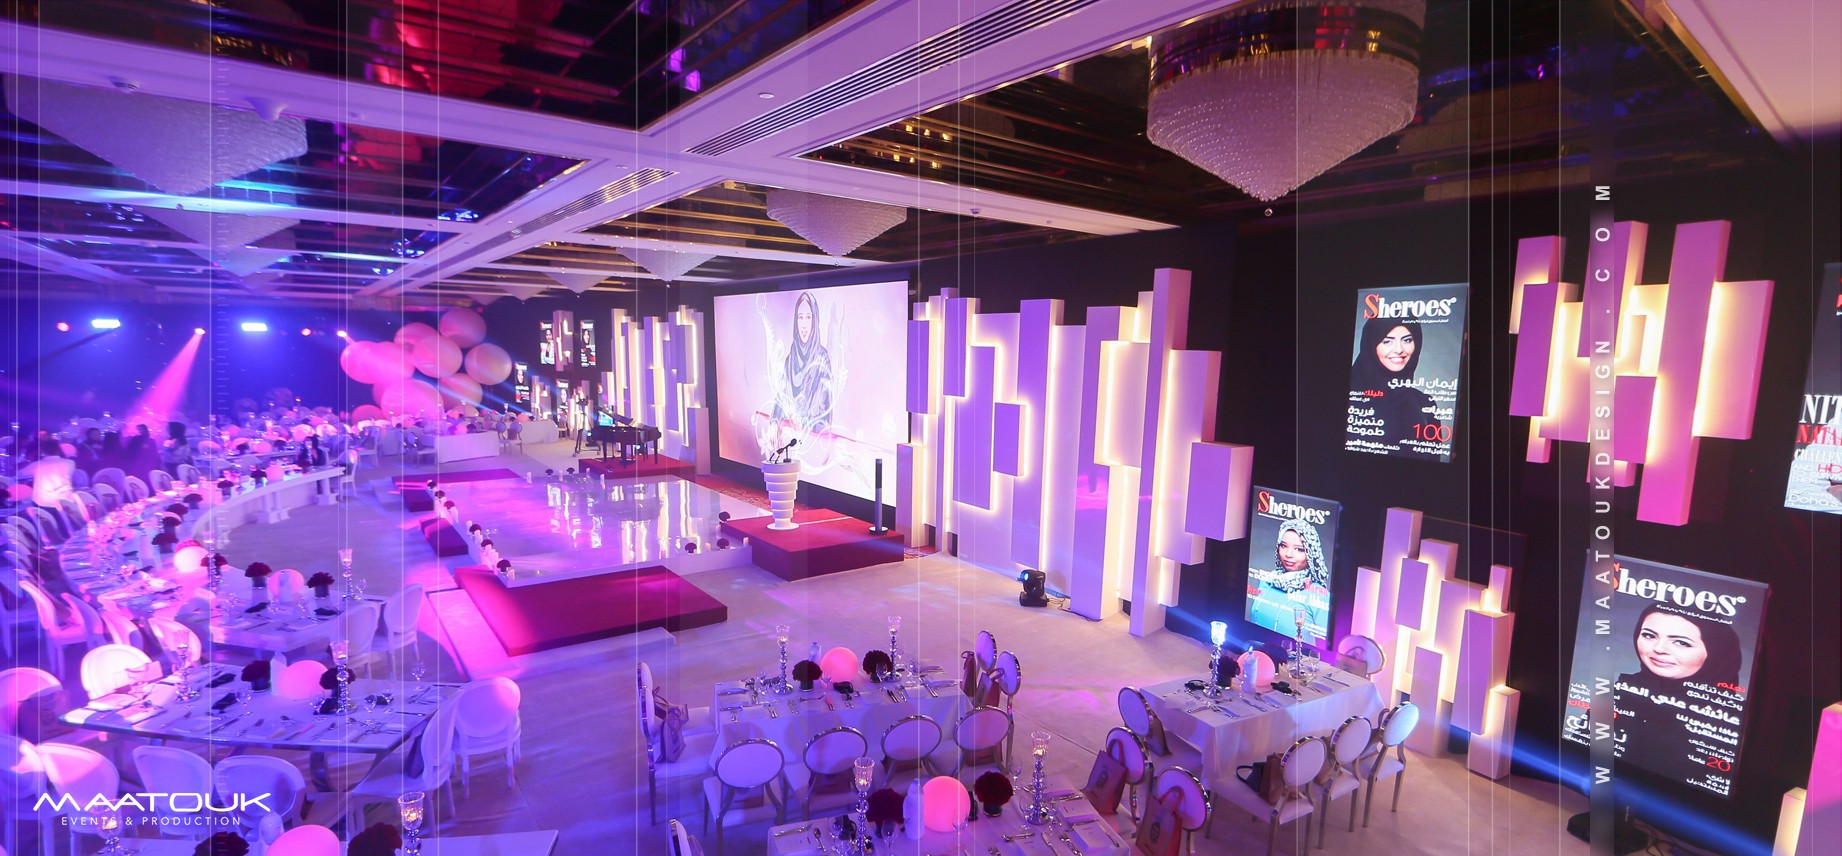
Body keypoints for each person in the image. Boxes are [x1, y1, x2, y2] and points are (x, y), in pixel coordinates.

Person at [1612, 602, 1745, 786]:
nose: (1659, 648)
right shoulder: (1625, 689)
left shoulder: (1732, 719)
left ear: (1715, 652)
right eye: (1649, 635)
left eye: (1681, 642)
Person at [1348, 317, 1441, 456]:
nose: (1399, 350)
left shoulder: (1425, 403)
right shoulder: (1347, 394)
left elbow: (1433, 463)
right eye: (1387, 341)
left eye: (1407, 340)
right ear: (1371, 344)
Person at [775, 291, 834, 434]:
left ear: (815, 320)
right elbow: (780, 401)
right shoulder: (790, 360)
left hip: (812, 440)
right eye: (800, 317)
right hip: (788, 438)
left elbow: (825, 414)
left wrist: (806, 425)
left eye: (808, 317)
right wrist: (774, 424)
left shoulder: (822, 358)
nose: (804, 325)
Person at [20, 438, 76, 508]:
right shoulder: (70, 463)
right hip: (66, 502)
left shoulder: (37, 465)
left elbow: (21, 474)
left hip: (44, 503)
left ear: (42, 452)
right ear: (58, 450)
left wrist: (28, 460)